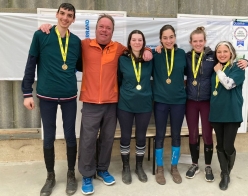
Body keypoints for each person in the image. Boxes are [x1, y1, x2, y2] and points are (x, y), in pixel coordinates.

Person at [39, 14, 152, 195]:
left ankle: (102, 169)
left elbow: (135, 48)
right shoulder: (84, 45)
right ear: (96, 28)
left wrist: (147, 48)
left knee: (107, 139)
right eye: (101, 26)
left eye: (108, 27)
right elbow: (62, 37)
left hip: (111, 102)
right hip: (91, 102)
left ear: (112, 31)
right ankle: (86, 174)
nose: (104, 30)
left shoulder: (118, 48)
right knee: (87, 141)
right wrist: (48, 28)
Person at [22, 3, 81, 196]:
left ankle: (71, 174)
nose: (65, 17)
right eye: (62, 13)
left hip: (69, 95)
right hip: (46, 95)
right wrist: (26, 93)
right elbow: (31, 64)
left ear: (73, 19)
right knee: (49, 136)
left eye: (69, 15)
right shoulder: (41, 35)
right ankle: (50, 176)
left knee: (70, 135)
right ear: (57, 15)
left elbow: (81, 65)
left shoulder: (76, 42)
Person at [185, 27, 248, 181]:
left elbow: (230, 58)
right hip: (191, 101)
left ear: (205, 41)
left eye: (201, 41)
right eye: (195, 41)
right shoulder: (185, 56)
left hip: (207, 101)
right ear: (190, 42)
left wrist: (246, 61)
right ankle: (194, 164)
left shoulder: (212, 56)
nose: (198, 43)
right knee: (193, 133)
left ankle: (208, 165)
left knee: (207, 134)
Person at [152, 24, 186, 185]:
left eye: (171, 37)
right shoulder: (156, 54)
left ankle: (174, 167)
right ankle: (159, 168)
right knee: (160, 135)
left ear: (175, 37)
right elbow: (140, 55)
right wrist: (148, 49)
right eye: (165, 38)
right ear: (160, 39)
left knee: (176, 134)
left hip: (179, 101)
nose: (168, 40)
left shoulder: (182, 54)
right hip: (160, 101)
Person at [117, 30, 153, 185]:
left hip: (144, 104)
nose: (137, 42)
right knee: (125, 136)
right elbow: (118, 80)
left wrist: (151, 50)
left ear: (143, 42)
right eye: (134, 39)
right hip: (125, 103)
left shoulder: (149, 59)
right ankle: (126, 167)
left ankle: (139, 166)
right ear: (129, 42)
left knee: (140, 136)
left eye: (140, 40)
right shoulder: (122, 59)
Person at [209, 41, 245, 190]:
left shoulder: (238, 67)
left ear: (231, 53)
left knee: (228, 145)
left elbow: (229, 84)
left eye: (225, 51)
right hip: (217, 113)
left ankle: (227, 171)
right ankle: (224, 174)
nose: (222, 54)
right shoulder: (215, 68)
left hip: (231, 113)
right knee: (219, 145)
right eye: (219, 52)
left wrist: (219, 71)